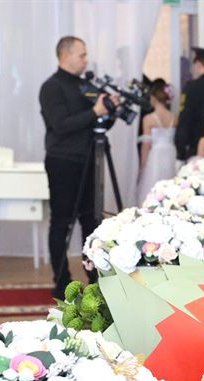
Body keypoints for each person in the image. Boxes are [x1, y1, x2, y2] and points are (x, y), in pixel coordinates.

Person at [39, 35, 114, 298]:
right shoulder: (52, 87)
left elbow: (98, 123)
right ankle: (62, 282)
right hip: (63, 162)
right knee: (62, 222)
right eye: (82, 55)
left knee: (91, 221)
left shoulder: (86, 86)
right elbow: (61, 125)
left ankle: (94, 278)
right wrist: (95, 112)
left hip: (90, 159)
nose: (85, 60)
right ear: (65, 55)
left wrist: (109, 111)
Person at [136, 83, 176, 198]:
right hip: (170, 152)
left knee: (153, 184)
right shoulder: (175, 117)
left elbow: (146, 146)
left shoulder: (148, 119)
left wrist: (142, 167)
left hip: (156, 154)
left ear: (153, 98)